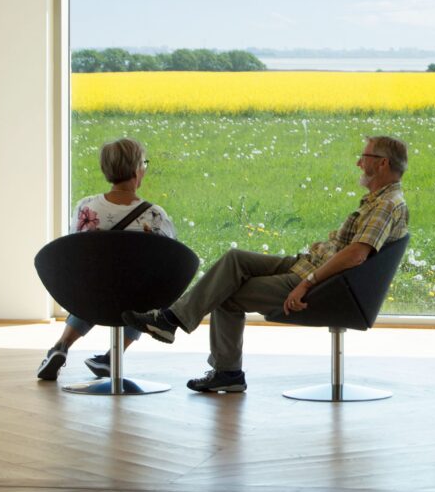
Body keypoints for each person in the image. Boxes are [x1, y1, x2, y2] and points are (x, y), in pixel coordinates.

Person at [123, 135, 409, 393]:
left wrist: (307, 284)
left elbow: (356, 254)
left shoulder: (387, 205)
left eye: (365, 157)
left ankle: (224, 370)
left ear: (382, 163)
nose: (359, 162)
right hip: (307, 265)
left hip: (320, 283)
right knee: (235, 260)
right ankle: (173, 322)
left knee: (226, 292)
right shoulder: (381, 200)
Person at [37, 137, 176, 381]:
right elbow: (172, 257)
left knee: (99, 277)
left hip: (90, 298)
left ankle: (61, 346)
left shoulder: (85, 208)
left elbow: (74, 252)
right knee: (146, 290)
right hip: (138, 301)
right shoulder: (155, 215)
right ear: (136, 171)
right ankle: (114, 356)